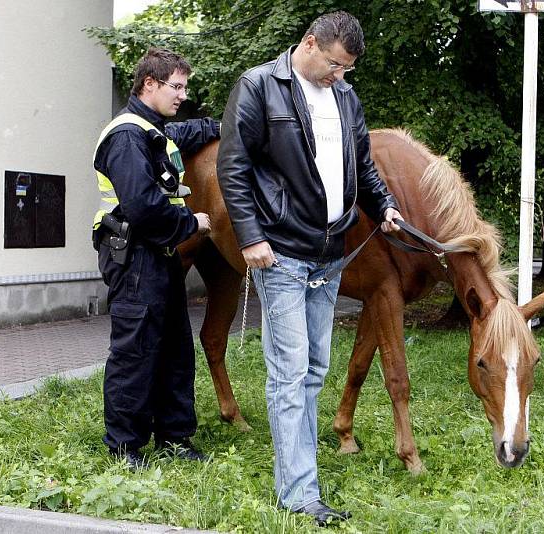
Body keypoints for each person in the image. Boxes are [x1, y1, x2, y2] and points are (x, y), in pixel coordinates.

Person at [217, 11, 403, 527]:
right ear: (310, 43)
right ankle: (299, 493)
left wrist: (383, 202)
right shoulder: (259, 86)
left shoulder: (344, 97)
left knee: (316, 369)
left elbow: (361, 163)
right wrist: (251, 237)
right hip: (279, 253)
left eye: (346, 69)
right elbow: (232, 167)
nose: (338, 76)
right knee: (290, 371)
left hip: (331, 252)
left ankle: (300, 474)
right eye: (334, 65)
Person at [93, 47, 220, 470]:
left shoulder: (154, 131)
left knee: (174, 350)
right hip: (133, 255)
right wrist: (193, 225)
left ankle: (174, 438)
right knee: (136, 351)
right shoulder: (126, 135)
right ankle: (125, 448)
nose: (183, 94)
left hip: (158, 256)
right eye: (177, 86)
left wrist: (230, 126)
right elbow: (145, 207)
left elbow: (189, 134)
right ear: (150, 83)